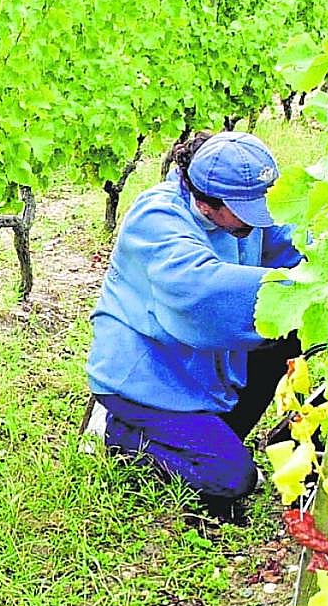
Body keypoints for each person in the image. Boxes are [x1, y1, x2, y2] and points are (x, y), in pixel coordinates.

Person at [85, 131, 302, 519]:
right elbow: (204, 295)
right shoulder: (157, 219)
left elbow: (289, 240)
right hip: (147, 377)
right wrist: (302, 289)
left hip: (195, 365)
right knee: (232, 480)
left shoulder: (239, 216)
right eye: (248, 210)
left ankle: (211, 436)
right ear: (206, 202)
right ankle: (116, 432)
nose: (260, 218)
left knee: (286, 338)